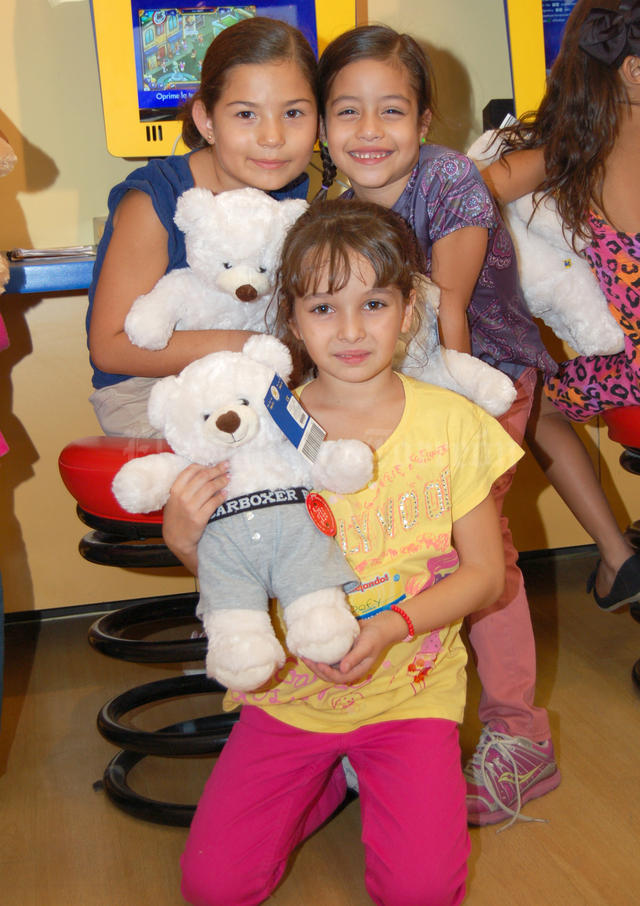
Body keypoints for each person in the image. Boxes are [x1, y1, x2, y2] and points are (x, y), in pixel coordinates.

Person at [179, 198, 522, 906]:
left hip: (412, 696)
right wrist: (185, 539)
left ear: (408, 311)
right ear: (293, 321)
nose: (352, 329)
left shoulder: (454, 423)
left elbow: (487, 577)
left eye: (373, 303)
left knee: (421, 893)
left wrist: (391, 627)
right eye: (324, 309)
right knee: (214, 888)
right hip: (287, 700)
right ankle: (331, 778)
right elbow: (238, 573)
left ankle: (356, 774)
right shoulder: (260, 430)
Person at [314, 24, 561, 828]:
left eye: (392, 110)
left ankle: (520, 739)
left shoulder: (452, 179)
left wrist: (448, 434)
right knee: (404, 548)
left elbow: (447, 315)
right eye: (347, 111)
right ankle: (398, 725)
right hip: (393, 392)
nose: (369, 131)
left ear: (424, 122)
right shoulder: (335, 210)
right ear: (321, 125)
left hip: (479, 383)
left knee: (479, 552)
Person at [481, 0, 640, 613]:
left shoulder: (570, 154)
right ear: (632, 69)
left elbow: (465, 193)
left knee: (534, 400)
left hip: (632, 372)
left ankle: (616, 555)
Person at [86, 16, 317, 437]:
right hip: (152, 394)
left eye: (294, 113)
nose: (272, 136)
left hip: (254, 383)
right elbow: (110, 348)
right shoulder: (156, 201)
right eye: (246, 114)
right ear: (207, 121)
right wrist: (241, 346)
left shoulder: (292, 201)